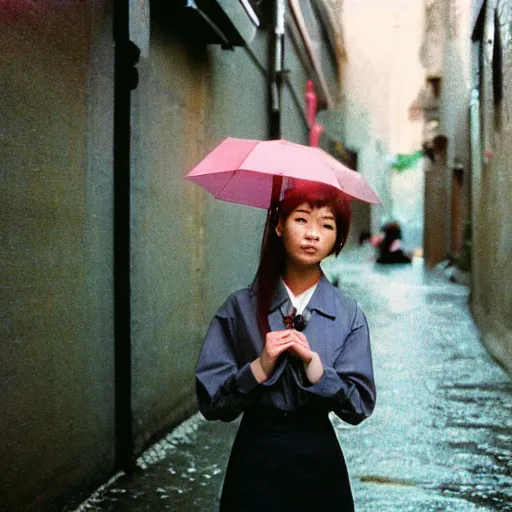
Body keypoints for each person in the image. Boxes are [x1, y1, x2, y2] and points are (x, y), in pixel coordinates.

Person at [195, 181, 376, 512]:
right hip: (255, 461)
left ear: (338, 237)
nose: (312, 234)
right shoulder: (239, 308)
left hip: (319, 464)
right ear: (278, 224)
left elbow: (359, 406)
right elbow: (213, 403)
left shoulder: (348, 314)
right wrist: (258, 368)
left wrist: (318, 371)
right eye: (301, 219)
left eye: (327, 224)